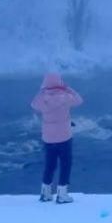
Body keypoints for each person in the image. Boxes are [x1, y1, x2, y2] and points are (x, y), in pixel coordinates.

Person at [30, 73, 83, 204]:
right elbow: (79, 99)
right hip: (64, 136)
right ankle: (62, 194)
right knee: (65, 164)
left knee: (49, 165)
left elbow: (33, 104)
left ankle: (45, 193)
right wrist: (67, 88)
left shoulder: (42, 99)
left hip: (48, 138)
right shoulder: (66, 97)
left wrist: (43, 90)